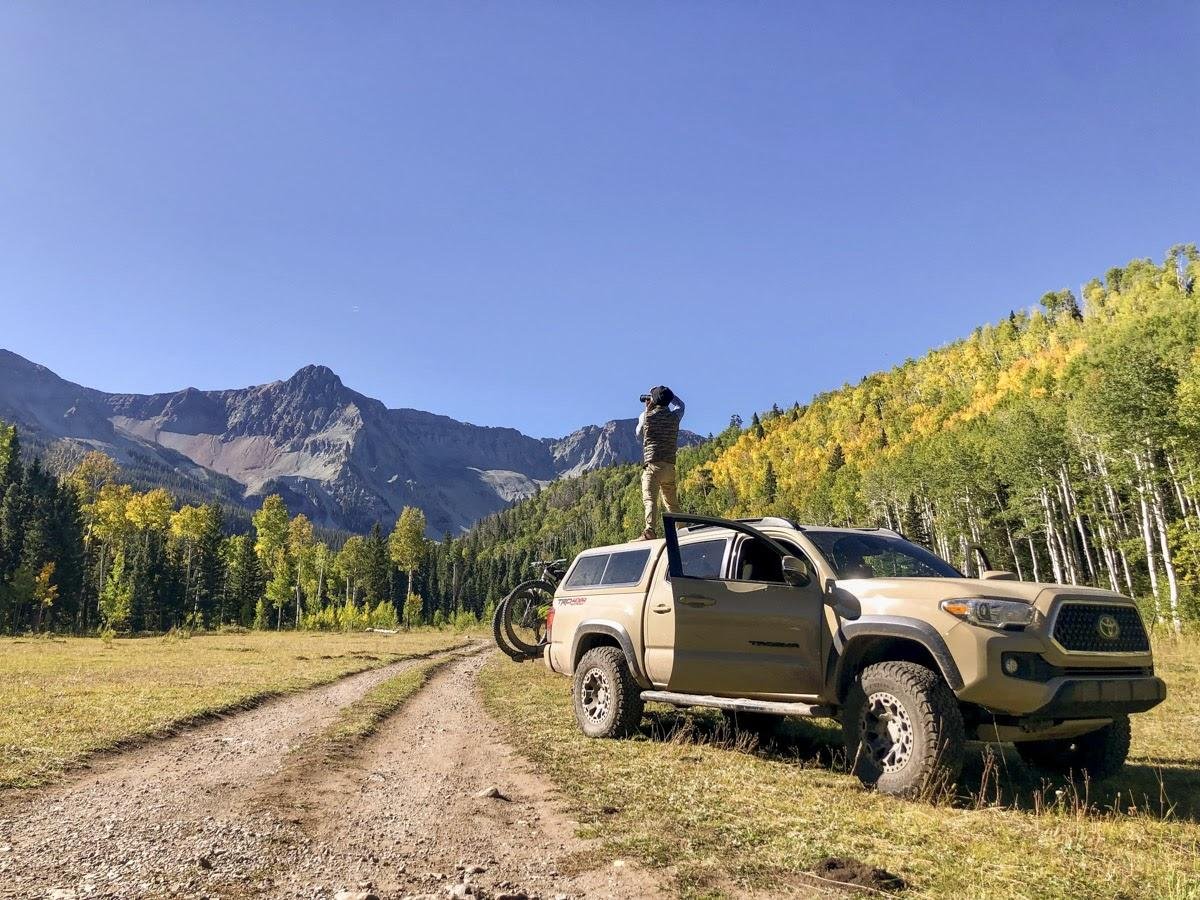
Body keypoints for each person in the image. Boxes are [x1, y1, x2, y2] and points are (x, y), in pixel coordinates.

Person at [635, 385, 685, 540]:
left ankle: (650, 530)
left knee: (650, 499)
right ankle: (682, 530)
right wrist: (667, 395)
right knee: (671, 503)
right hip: (669, 466)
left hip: (653, 466)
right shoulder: (675, 416)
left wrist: (648, 406)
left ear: (653, 401)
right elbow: (681, 405)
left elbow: (638, 433)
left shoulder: (646, 416)